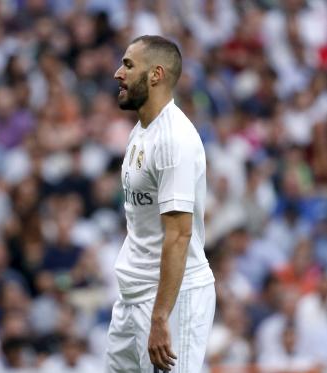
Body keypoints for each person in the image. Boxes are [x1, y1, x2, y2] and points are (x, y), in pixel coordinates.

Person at [105, 35, 216, 373]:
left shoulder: (174, 140)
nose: (117, 74)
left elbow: (179, 235)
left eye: (127, 65)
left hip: (170, 302)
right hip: (132, 295)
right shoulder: (141, 131)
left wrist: (160, 316)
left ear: (155, 74)